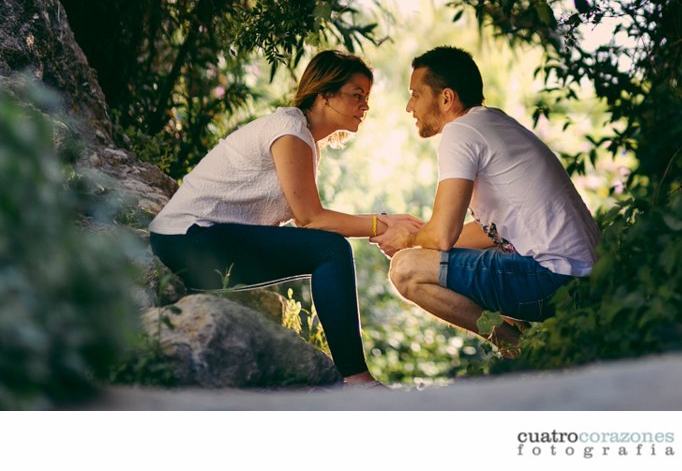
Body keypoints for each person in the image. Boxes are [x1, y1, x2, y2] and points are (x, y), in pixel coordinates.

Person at [148, 49, 406, 386]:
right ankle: (356, 380)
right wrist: (383, 225)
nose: (365, 106)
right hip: (188, 239)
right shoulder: (289, 130)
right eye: (357, 95)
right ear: (325, 93)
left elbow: (307, 221)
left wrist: (382, 224)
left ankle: (354, 377)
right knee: (331, 249)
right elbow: (311, 219)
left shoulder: (302, 139)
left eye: (367, 97)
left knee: (328, 247)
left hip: (195, 242)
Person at [371, 45, 601, 357]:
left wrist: (409, 239)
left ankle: (524, 352)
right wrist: (418, 240)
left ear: (447, 98)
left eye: (415, 94)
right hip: (583, 280)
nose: (409, 107)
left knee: (405, 269)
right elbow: (482, 233)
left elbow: (441, 236)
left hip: (555, 279)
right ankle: (541, 343)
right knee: (424, 256)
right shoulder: (491, 124)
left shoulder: (461, 132)